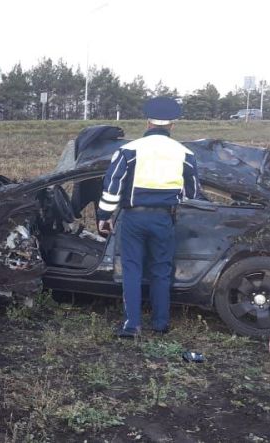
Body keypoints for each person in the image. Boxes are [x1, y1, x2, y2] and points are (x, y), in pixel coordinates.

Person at [96, 97, 200, 338]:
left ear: (148, 122)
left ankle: (132, 325)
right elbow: (193, 192)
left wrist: (104, 215)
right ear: (172, 124)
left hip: (133, 219)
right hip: (164, 219)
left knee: (132, 270)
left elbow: (112, 187)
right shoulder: (185, 153)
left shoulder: (129, 150)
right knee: (161, 270)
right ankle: (160, 324)